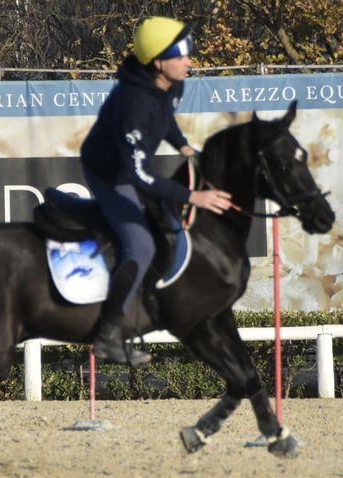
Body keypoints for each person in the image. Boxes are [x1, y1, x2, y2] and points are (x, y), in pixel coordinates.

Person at [79, 16, 234, 367]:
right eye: (181, 55)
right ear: (158, 62)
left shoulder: (172, 84)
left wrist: (183, 146)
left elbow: (165, 119)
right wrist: (193, 197)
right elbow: (136, 175)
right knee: (141, 245)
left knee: (166, 224)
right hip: (110, 174)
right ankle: (107, 336)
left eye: (188, 53)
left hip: (132, 170)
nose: (189, 62)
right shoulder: (132, 103)